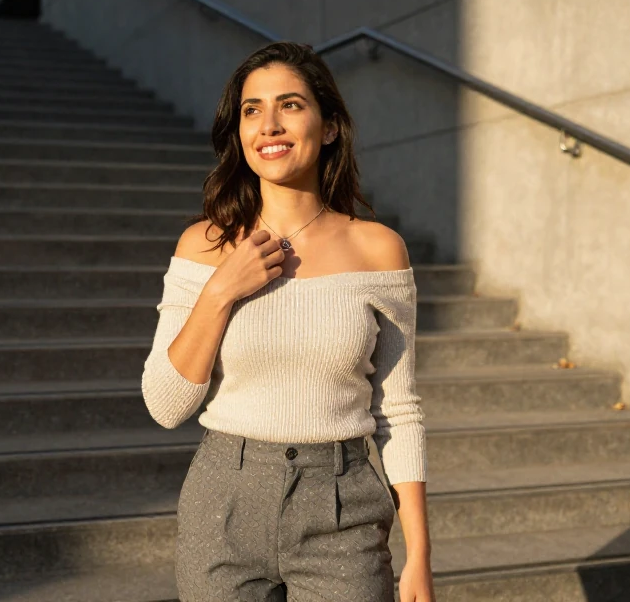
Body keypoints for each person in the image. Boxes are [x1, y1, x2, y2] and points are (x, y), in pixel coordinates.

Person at [141, 41, 435, 602]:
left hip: (343, 509)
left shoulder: (378, 249)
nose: (269, 125)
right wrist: (222, 289)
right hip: (224, 503)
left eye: (291, 105)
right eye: (252, 110)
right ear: (239, 133)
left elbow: (398, 408)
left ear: (329, 127)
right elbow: (166, 405)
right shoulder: (203, 246)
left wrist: (419, 553)